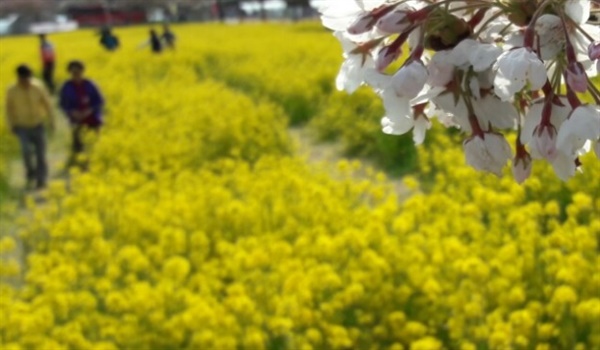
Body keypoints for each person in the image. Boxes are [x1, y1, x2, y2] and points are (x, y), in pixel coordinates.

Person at [5, 65, 55, 190]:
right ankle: (30, 173)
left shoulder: (38, 86)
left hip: (38, 124)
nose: (27, 81)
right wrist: (11, 125)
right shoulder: (11, 90)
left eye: (28, 78)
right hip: (22, 127)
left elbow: (47, 103)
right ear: (19, 78)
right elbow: (8, 109)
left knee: (41, 154)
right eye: (24, 79)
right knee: (26, 151)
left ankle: (41, 179)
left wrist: (51, 121)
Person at [59, 61, 104, 165]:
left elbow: (99, 100)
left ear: (82, 71)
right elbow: (62, 104)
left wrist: (90, 110)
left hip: (92, 119)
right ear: (70, 73)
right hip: (76, 120)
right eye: (73, 72)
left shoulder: (91, 84)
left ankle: (95, 164)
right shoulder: (66, 87)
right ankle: (80, 166)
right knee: (78, 146)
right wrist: (71, 112)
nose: (76, 74)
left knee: (94, 144)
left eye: (78, 72)